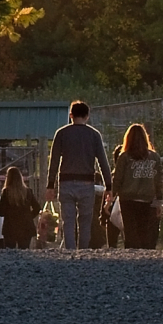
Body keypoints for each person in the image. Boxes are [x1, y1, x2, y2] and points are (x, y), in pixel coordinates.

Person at [44, 100, 112, 249]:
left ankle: (70, 250)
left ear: (71, 115)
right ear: (87, 116)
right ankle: (83, 251)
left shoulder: (61, 134)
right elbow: (102, 161)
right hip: (87, 183)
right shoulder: (94, 135)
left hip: (66, 182)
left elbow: (54, 161)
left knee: (68, 221)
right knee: (85, 221)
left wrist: (50, 185)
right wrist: (109, 185)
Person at [108, 123, 163, 249]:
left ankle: (132, 257)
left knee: (130, 232)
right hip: (148, 198)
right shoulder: (154, 157)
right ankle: (144, 257)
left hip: (128, 199)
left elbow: (118, 178)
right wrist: (159, 200)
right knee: (144, 231)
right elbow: (159, 180)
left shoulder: (124, 157)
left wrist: (111, 196)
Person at [0, 166, 39, 249]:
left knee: (10, 252)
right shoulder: (28, 191)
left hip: (10, 227)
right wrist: (29, 216)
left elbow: (0, 212)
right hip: (26, 226)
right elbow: (37, 207)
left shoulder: (6, 192)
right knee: (24, 251)